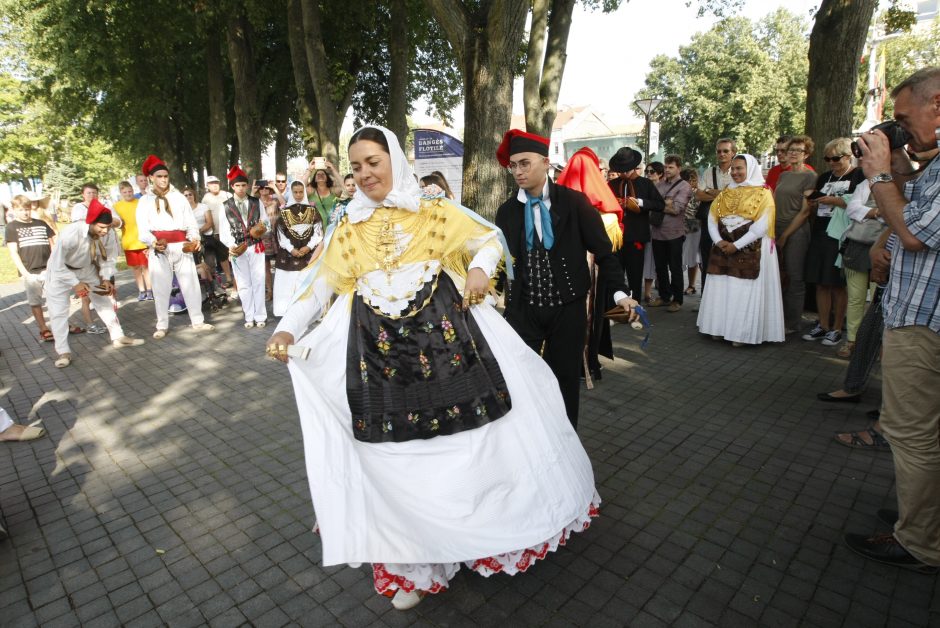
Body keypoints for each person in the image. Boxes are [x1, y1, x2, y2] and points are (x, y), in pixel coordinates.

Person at [267, 125, 606, 610]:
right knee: (393, 458)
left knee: (474, 445)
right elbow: (319, 285)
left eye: (373, 162)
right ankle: (414, 564)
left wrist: (478, 270)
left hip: (453, 342)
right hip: (374, 352)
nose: (364, 174)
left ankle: (488, 534)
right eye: (356, 165)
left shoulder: (431, 208)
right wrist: (288, 328)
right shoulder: (346, 224)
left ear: (394, 161)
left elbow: (487, 239)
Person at [844, 67, 940, 574]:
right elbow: (912, 210)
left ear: (938, 105)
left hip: (927, 320)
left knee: (913, 433)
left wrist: (880, 173)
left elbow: (914, 232)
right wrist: (899, 164)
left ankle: (920, 540)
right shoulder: (933, 162)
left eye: (903, 119)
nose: (899, 128)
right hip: (920, 311)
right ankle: (922, 516)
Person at [496, 130, 638, 428]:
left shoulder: (575, 203)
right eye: (513, 166)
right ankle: (531, 441)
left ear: (545, 162)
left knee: (565, 383)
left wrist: (620, 294)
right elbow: (503, 263)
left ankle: (566, 444)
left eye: (525, 163)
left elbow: (604, 253)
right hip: (524, 310)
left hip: (568, 308)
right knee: (521, 381)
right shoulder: (507, 212)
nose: (518, 172)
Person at [696, 154, 784, 346]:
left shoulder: (763, 192)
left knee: (742, 289)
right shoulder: (726, 192)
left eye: (739, 168)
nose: (735, 172)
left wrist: (736, 245)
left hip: (751, 248)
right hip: (723, 247)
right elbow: (712, 218)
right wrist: (719, 241)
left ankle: (741, 334)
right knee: (722, 287)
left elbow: (762, 225)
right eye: (733, 169)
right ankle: (717, 328)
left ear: (750, 168)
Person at [45, 199, 145, 367]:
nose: (105, 231)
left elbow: (109, 258)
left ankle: (118, 336)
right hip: (60, 272)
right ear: (90, 222)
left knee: (103, 300)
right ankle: (63, 351)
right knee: (58, 312)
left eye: (107, 227)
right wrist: (75, 283)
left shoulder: (109, 233)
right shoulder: (71, 233)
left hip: (87, 269)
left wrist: (105, 278)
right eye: (101, 227)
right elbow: (56, 264)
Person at [555, 146, 624, 383]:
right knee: (589, 315)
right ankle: (587, 364)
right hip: (589, 273)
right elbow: (609, 247)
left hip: (564, 273)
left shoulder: (555, 202)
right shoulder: (604, 215)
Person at [790, 139, 866, 347]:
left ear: (848, 156)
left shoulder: (858, 176)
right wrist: (814, 201)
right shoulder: (824, 177)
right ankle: (822, 324)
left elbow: (861, 203)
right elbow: (816, 205)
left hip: (843, 234)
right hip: (821, 232)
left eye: (835, 158)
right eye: (827, 159)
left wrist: (835, 201)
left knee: (837, 284)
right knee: (821, 282)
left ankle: (837, 327)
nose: (831, 162)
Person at [135, 155, 215, 339]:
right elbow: (142, 229)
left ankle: (197, 320)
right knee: (160, 286)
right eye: (159, 176)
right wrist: (153, 243)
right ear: (151, 178)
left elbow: (190, 222)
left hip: (181, 245)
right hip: (159, 248)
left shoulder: (178, 197)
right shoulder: (145, 201)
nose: (163, 179)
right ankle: (162, 324)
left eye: (165, 176)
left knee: (190, 283)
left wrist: (194, 239)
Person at [608, 147, 665, 306]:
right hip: (615, 236)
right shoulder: (611, 184)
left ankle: (634, 306)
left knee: (635, 273)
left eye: (626, 169)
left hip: (636, 235)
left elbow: (659, 205)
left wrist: (639, 202)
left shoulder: (645, 184)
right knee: (616, 274)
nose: (624, 172)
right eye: (621, 169)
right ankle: (617, 306)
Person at [775, 135, 819, 334]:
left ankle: (792, 322)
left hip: (797, 231)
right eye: (790, 150)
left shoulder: (809, 176)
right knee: (779, 275)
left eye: (797, 151)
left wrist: (785, 235)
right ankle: (777, 317)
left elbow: (805, 211)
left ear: (806, 155)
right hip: (776, 228)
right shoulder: (784, 175)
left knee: (794, 277)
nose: (792, 154)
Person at [219, 165, 268, 328]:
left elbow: (265, 220)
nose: (240, 188)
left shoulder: (256, 202)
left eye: (243, 185)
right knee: (243, 282)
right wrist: (231, 245)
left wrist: (261, 229)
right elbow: (223, 229)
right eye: (237, 185)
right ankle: (249, 316)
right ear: (232, 186)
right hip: (238, 248)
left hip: (256, 246)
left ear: (247, 186)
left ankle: (260, 315)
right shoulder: (225, 205)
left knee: (259, 280)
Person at [5, 194, 55, 342]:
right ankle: (43, 328)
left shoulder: (41, 223)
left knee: (56, 299)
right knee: (36, 301)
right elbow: (13, 252)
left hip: (48, 269)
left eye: (27, 209)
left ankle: (62, 323)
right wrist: (25, 273)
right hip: (30, 271)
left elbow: (52, 244)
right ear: (14, 210)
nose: (25, 212)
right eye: (20, 210)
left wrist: (53, 266)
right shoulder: (12, 227)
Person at [273, 181, 323, 317]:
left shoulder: (312, 210)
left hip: (309, 253)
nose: (299, 194)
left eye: (301, 192)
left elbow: (318, 232)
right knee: (287, 283)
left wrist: (309, 246)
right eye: (295, 192)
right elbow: (280, 233)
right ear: (291, 192)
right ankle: (286, 312)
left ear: (304, 192)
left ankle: (309, 312)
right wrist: (291, 249)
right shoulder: (285, 211)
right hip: (288, 255)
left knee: (308, 283)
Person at [650, 155, 693, 312]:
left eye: (671, 167)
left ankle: (677, 300)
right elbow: (650, 204)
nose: (667, 170)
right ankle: (664, 296)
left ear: (679, 168)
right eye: (666, 167)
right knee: (660, 267)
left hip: (674, 233)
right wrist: (665, 202)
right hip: (657, 232)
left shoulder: (684, 186)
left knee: (675, 267)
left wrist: (658, 204)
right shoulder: (659, 185)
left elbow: (676, 209)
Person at [695, 138, 737, 290]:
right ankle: (706, 296)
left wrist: (711, 191)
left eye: (726, 151)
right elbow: (699, 196)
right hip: (710, 221)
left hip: (733, 223)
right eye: (719, 151)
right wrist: (723, 193)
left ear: (733, 152)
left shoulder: (738, 171)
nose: (722, 154)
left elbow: (738, 198)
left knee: (729, 259)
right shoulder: (709, 171)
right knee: (707, 258)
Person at [113, 181, 153, 301]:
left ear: (133, 191)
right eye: (125, 192)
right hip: (129, 241)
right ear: (121, 193)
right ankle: (141, 290)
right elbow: (116, 222)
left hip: (143, 240)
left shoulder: (140, 202)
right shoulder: (117, 206)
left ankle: (150, 290)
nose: (128, 194)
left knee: (146, 266)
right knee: (136, 268)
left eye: (130, 191)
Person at [201, 175, 234, 287]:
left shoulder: (227, 195)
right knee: (221, 257)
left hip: (230, 231)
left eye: (216, 183)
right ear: (207, 186)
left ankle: (237, 279)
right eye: (211, 183)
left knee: (232, 254)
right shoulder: (205, 198)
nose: (214, 185)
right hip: (214, 233)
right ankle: (226, 279)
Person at [680, 167, 702, 294]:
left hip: (694, 228)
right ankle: (689, 286)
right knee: (687, 257)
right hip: (680, 228)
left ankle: (692, 285)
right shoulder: (680, 191)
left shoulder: (698, 193)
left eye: (693, 179)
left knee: (694, 257)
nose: (691, 182)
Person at [305, 161, 342, 225]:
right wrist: (309, 170)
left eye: (323, 174)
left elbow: (345, 186)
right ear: (315, 179)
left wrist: (332, 169)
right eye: (318, 175)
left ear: (327, 178)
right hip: (316, 229)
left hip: (333, 227)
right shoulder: (310, 191)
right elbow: (299, 186)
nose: (320, 176)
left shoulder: (334, 191)